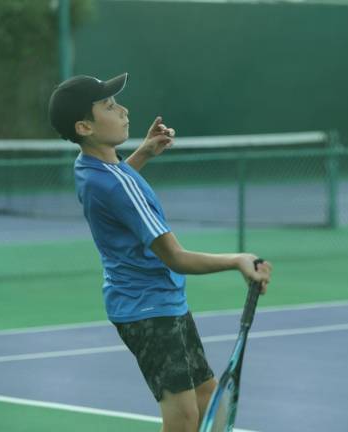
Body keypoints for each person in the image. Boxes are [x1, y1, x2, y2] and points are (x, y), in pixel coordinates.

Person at [48, 73, 273, 432]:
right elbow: (175, 257)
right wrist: (238, 260)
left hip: (152, 303)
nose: (123, 110)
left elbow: (116, 186)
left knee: (207, 400)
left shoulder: (90, 168)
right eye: (109, 107)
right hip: (149, 310)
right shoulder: (114, 181)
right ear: (84, 126)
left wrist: (144, 152)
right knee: (184, 417)